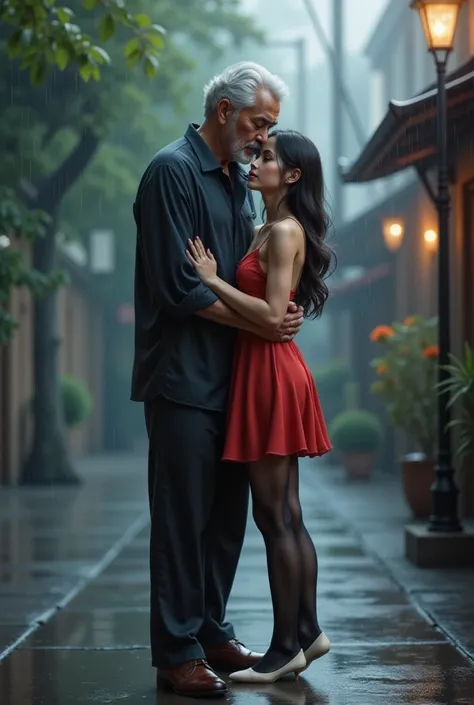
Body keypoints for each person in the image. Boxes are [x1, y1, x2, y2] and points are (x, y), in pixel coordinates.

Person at [131, 62, 305, 699]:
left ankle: (209, 632)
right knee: (181, 522)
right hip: (181, 381)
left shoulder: (238, 181)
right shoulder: (171, 172)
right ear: (225, 111)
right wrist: (264, 326)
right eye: (260, 123)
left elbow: (252, 274)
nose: (266, 138)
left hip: (236, 382)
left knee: (227, 518)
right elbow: (178, 287)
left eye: (273, 128)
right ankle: (175, 654)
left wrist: (277, 310)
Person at [185, 129, 334, 684]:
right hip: (266, 370)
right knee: (283, 514)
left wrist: (212, 281)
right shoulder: (265, 226)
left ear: (292, 175)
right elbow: (275, 315)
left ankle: (283, 649)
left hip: (272, 373)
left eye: (268, 157)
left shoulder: (285, 231)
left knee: (275, 517)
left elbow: (273, 317)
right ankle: (308, 632)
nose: (256, 160)